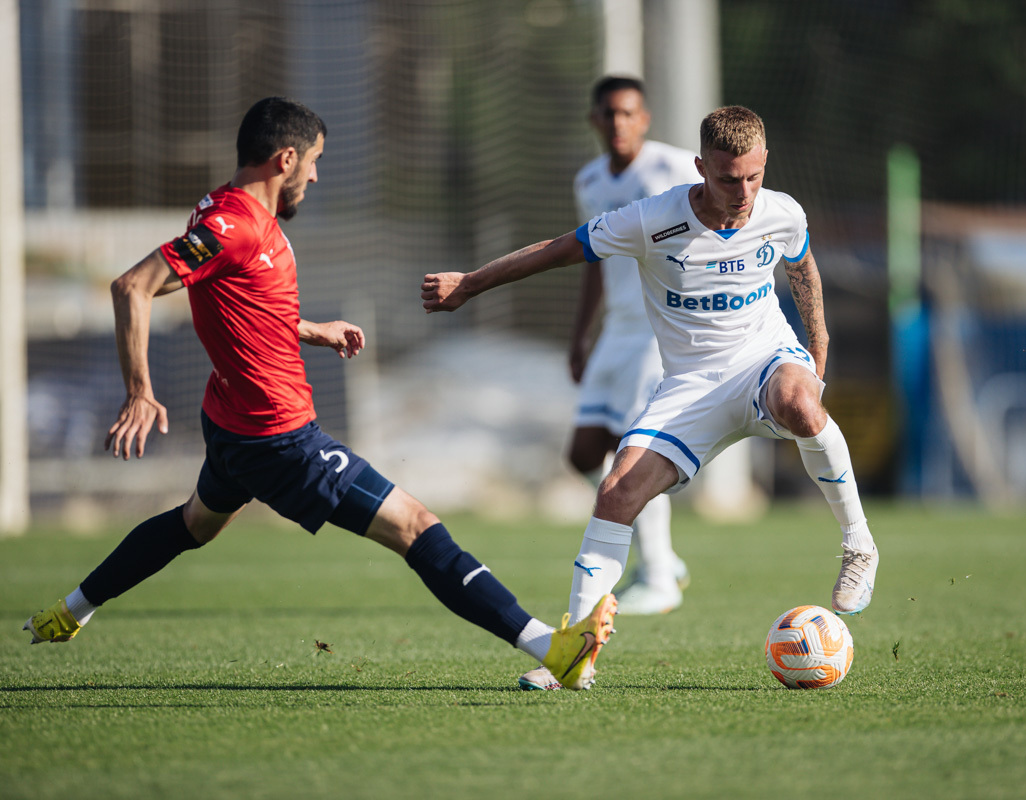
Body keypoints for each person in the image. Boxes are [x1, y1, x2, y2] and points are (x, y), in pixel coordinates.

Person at [22, 97, 616, 692]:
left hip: (231, 426)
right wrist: (139, 391)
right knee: (416, 525)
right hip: (279, 439)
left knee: (194, 525)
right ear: (285, 157)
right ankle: (551, 645)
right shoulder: (234, 227)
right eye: (314, 161)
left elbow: (239, 300)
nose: (315, 174)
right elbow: (133, 286)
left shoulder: (225, 210)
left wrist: (310, 329)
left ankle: (71, 610)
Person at [422, 105, 878, 689]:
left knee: (800, 401)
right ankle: (573, 657)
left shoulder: (782, 212)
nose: (742, 192)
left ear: (765, 165)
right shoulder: (650, 219)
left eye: (754, 176)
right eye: (727, 178)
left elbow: (803, 268)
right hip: (690, 386)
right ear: (699, 168)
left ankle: (858, 544)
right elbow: (559, 248)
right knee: (615, 492)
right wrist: (471, 283)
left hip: (765, 361)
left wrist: (818, 348)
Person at [567, 76, 696, 618]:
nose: (619, 123)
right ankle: (660, 551)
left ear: (644, 118)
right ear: (596, 120)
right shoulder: (590, 179)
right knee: (581, 454)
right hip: (614, 333)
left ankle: (660, 573)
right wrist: (581, 332)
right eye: (610, 115)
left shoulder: (675, 168)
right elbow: (593, 257)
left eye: (629, 114)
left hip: (654, 329)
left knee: (633, 451)